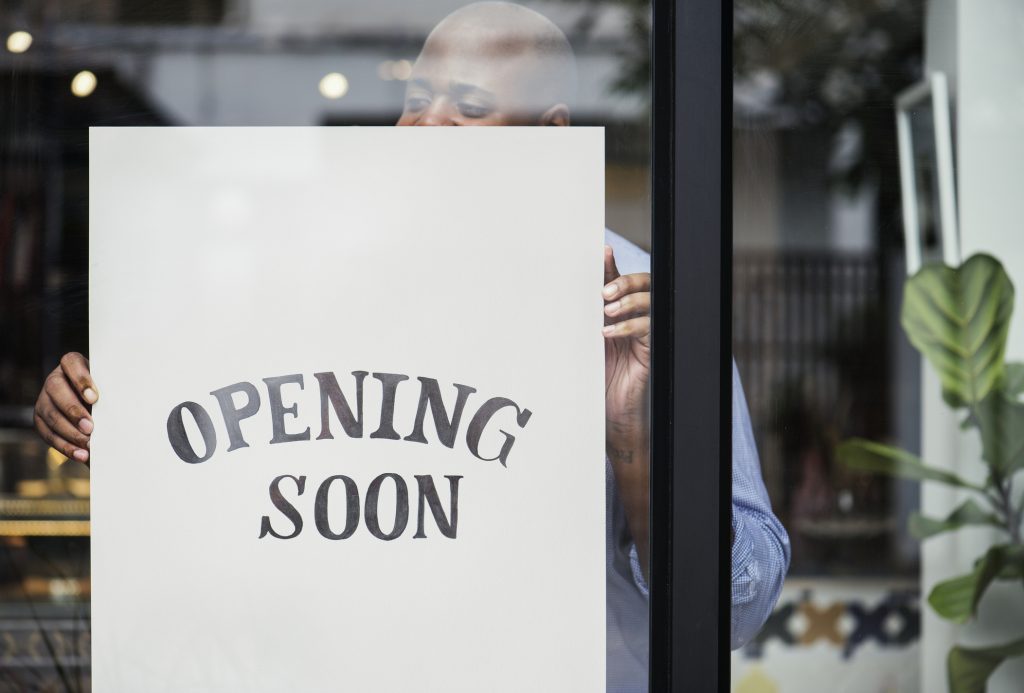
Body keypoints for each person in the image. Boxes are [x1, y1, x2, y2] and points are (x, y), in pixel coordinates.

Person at [32, 2, 789, 690]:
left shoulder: (639, 308)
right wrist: (107, 403)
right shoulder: (316, 284)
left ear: (550, 134)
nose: (428, 125)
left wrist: (632, 440)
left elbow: (735, 610)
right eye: (415, 99)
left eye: (471, 105)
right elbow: (238, 474)